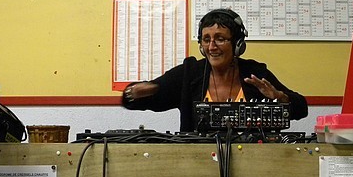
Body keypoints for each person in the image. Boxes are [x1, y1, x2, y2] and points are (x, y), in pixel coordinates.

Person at [122, 8, 308, 132]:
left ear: (238, 44)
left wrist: (280, 98)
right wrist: (136, 93)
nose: (211, 47)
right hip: (198, 165)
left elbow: (302, 109)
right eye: (206, 40)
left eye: (220, 39)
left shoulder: (255, 73)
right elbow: (133, 101)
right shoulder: (189, 73)